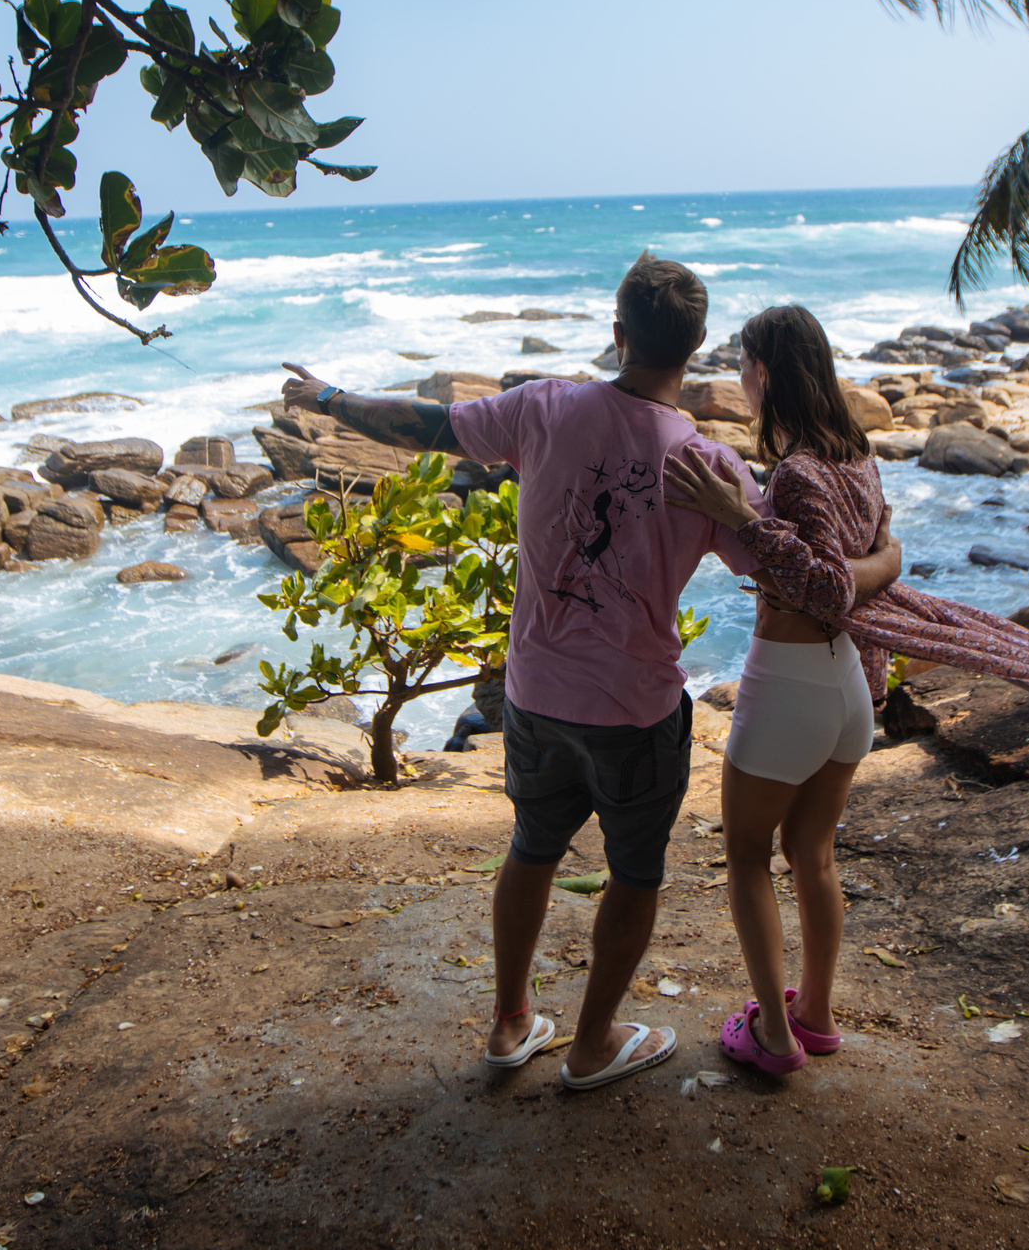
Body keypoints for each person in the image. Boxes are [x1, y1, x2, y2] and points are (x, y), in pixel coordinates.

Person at [281, 257, 901, 1091]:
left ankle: (509, 1024)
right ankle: (591, 1042)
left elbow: (427, 425)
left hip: (534, 694)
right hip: (638, 711)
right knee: (633, 874)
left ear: (618, 338)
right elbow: (780, 573)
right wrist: (880, 556)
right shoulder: (713, 467)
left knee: (531, 848)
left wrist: (328, 399)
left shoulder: (545, 405)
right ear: (696, 351)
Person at [665, 305, 1029, 1074]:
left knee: (745, 858)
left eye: (743, 366)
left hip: (792, 683)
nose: (738, 380)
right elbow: (876, 550)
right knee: (813, 852)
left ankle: (772, 1035)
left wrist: (736, 512)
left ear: (764, 373)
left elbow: (826, 586)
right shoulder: (857, 454)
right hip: (848, 691)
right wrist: (888, 563)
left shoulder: (798, 470)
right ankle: (817, 1014)